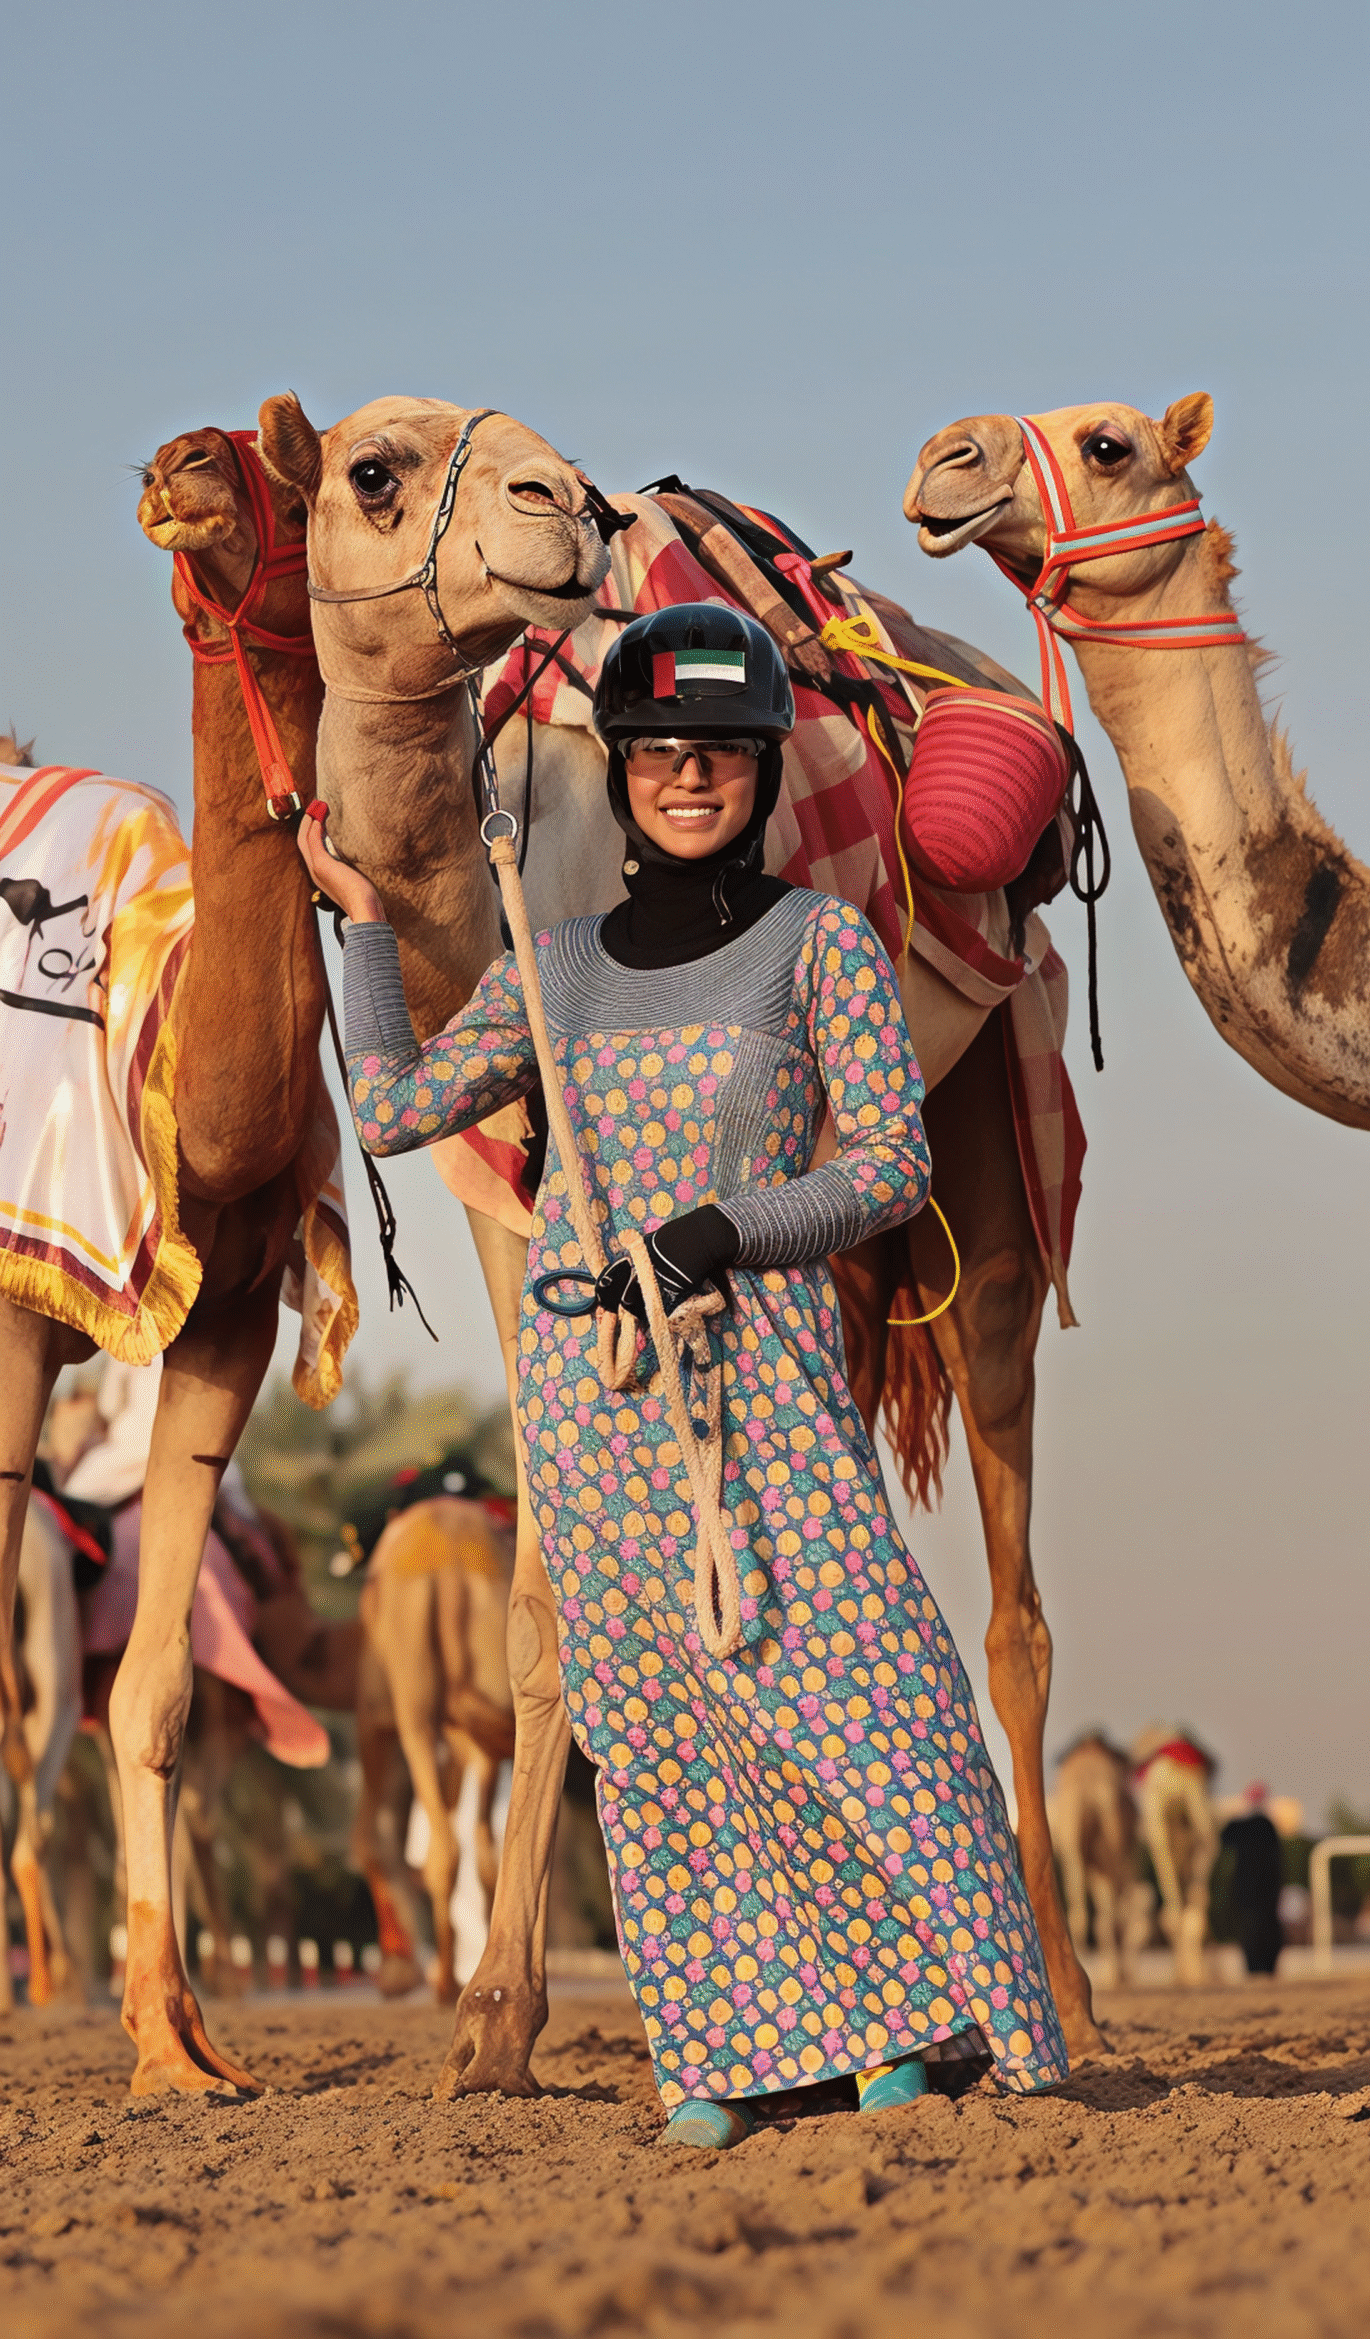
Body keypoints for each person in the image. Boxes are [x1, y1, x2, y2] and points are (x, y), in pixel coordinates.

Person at [300, 602, 1068, 2145]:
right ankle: (732, 2056)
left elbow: (892, 1170)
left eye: (720, 753)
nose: (690, 778)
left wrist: (730, 1229)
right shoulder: (554, 967)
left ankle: (929, 2016)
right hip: (600, 1409)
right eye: (661, 753)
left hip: (768, 1380)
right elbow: (389, 1108)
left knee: (874, 1700)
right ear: (628, 770)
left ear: (761, 773)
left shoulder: (822, 947)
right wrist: (365, 935)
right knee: (661, 1733)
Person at [1219, 1783, 1285, 1975]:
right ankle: (1262, 1967)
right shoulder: (1266, 1825)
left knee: (1254, 1928)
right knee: (1261, 1927)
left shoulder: (1244, 1825)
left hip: (1250, 1889)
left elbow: (1223, 1837)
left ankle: (1257, 1967)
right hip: (1261, 1889)